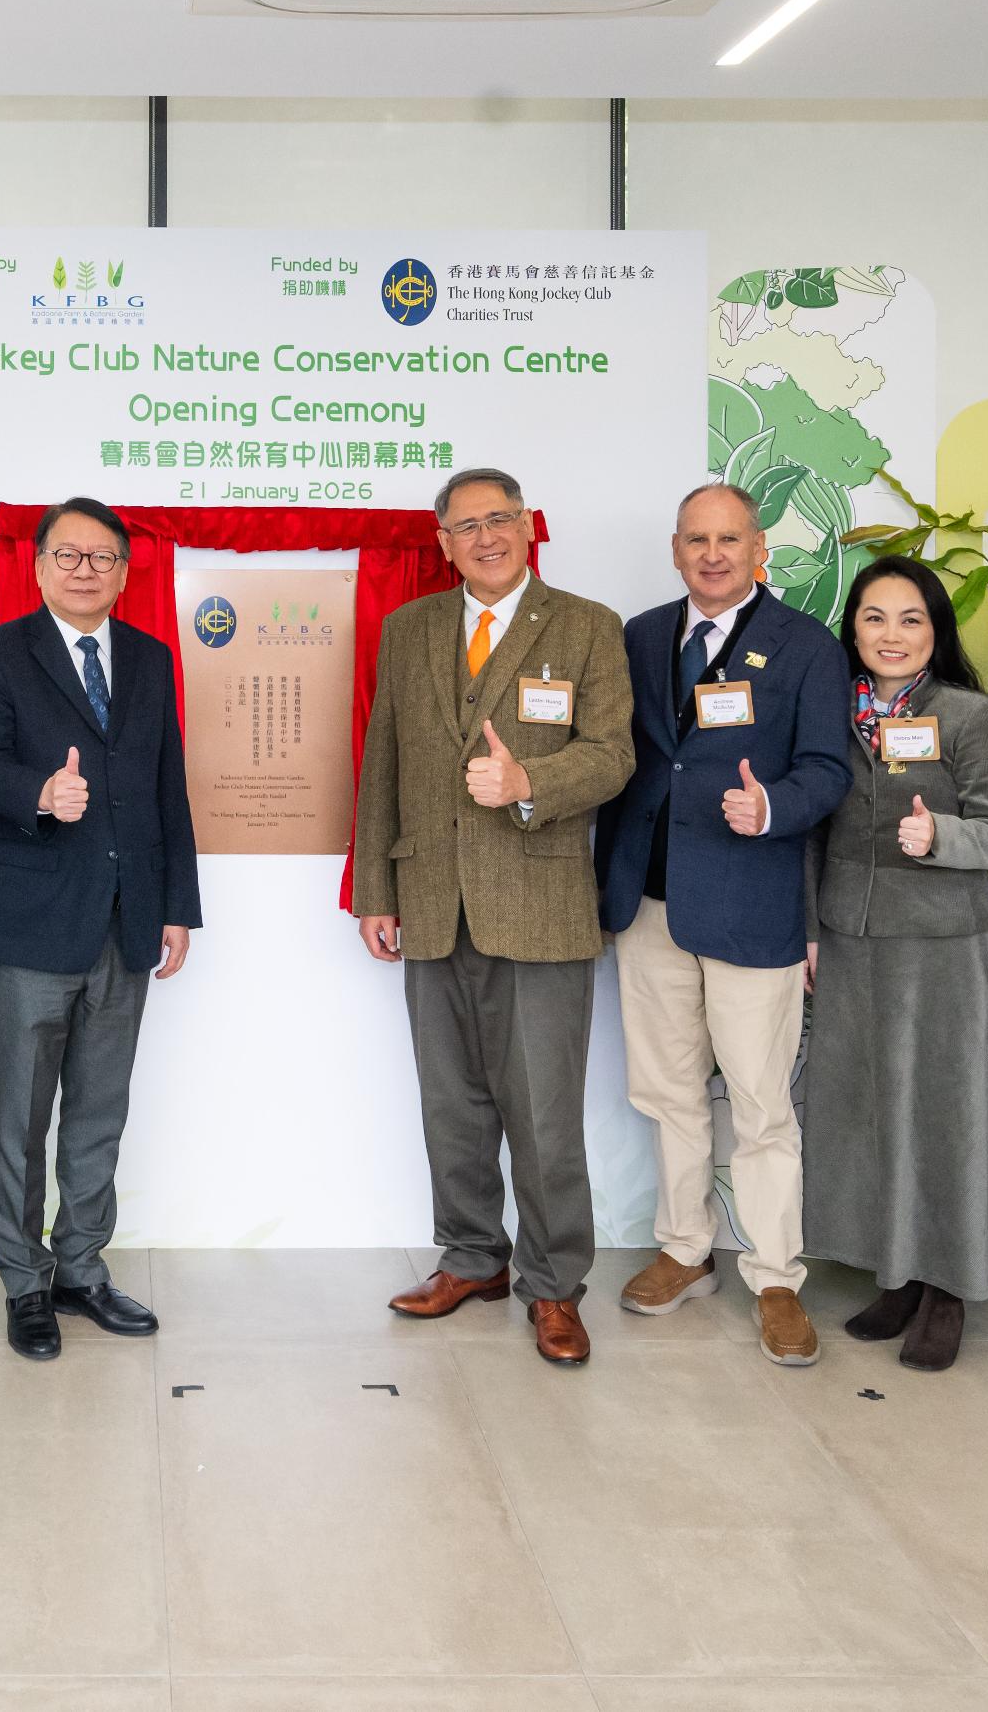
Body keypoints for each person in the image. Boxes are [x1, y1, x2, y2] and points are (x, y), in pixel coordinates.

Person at [354, 466, 637, 1367]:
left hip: (541, 904)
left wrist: (528, 785)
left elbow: (613, 757)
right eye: (466, 525)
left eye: (500, 520)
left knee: (544, 1112)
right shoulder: (410, 629)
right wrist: (377, 891)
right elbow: (385, 763)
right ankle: (472, 1256)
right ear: (442, 542)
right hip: (433, 902)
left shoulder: (587, 626)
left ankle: (554, 1287)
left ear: (527, 527)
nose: (485, 537)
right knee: (453, 1103)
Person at [592, 482, 850, 1365]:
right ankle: (684, 1249)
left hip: (750, 902)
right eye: (697, 539)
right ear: (675, 549)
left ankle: (777, 1277)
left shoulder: (806, 646)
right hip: (648, 901)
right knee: (665, 1093)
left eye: (728, 539)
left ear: (759, 548)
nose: (712, 554)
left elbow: (829, 769)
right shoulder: (638, 635)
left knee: (760, 1103)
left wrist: (773, 807)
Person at [0, 498, 198, 1361]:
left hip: (128, 923)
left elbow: (168, 786)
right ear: (40, 564)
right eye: (69, 555)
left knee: (98, 1113)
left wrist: (178, 906)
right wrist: (39, 795)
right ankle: (24, 1284)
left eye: (103, 557)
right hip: (32, 924)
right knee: (19, 1116)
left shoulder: (150, 658)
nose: (86, 569)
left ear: (125, 571)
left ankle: (81, 1269)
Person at [804, 552, 988, 1372]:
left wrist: (939, 837)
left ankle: (947, 1287)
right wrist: (807, 928)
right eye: (875, 617)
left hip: (942, 946)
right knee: (868, 1115)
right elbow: (809, 831)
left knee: (947, 1117)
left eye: (911, 619)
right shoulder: (830, 711)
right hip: (852, 941)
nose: (891, 634)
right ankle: (894, 1272)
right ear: (853, 628)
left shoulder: (968, 716)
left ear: (936, 630)